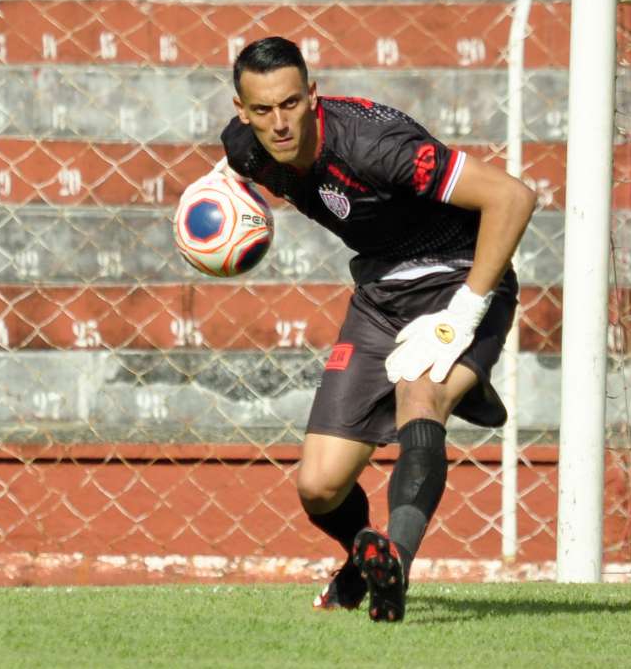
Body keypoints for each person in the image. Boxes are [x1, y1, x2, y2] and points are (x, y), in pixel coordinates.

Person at [219, 36, 536, 622]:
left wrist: (461, 316)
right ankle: (365, 559)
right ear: (242, 112)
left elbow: (513, 197)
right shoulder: (246, 150)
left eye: (291, 104)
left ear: (313, 95)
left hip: (457, 276)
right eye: (262, 110)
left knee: (422, 393)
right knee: (318, 487)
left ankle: (397, 565)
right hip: (378, 295)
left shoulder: (377, 146)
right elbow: (231, 183)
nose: (280, 122)